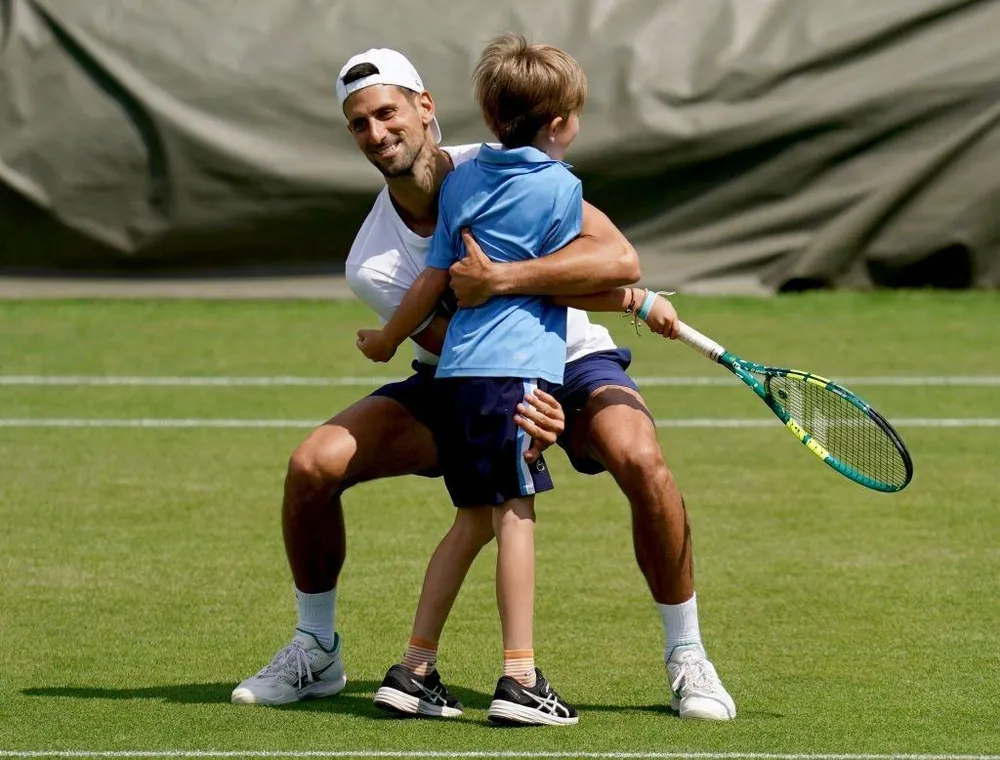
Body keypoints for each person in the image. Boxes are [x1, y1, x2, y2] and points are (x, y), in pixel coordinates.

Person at [231, 42, 736, 722]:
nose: (377, 134)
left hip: (573, 359)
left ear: (424, 108)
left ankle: (686, 654)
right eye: (359, 124)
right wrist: (527, 395)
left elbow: (615, 257)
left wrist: (509, 281)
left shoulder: (500, 165)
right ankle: (319, 649)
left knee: (641, 459)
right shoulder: (372, 261)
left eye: (386, 113)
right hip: (472, 379)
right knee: (312, 465)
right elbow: (457, 343)